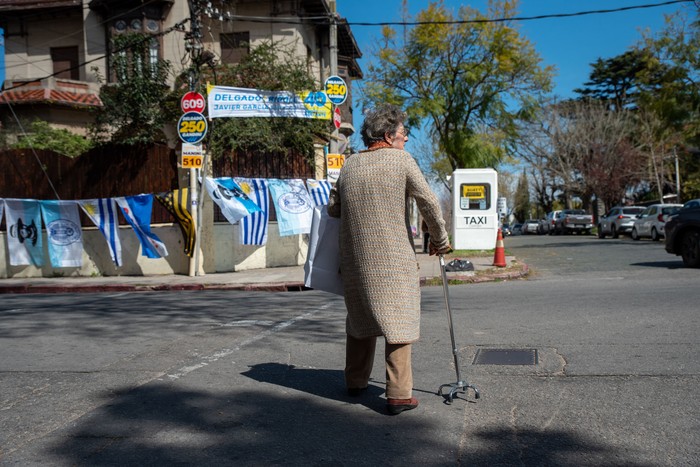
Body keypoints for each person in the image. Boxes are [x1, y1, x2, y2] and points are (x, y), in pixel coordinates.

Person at [327, 104, 452, 415]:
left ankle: (355, 381)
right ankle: (397, 394)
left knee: (360, 318)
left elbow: (333, 208)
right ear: (387, 135)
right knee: (398, 321)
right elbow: (429, 202)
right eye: (403, 133)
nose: (406, 139)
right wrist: (440, 240)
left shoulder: (350, 164)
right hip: (393, 257)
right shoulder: (401, 161)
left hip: (355, 259)